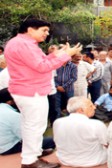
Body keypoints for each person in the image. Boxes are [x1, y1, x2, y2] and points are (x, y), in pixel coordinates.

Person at [4, 19, 81, 167]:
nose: (47, 34)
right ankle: (30, 160)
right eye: (44, 30)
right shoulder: (24, 45)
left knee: (30, 125)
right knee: (35, 126)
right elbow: (42, 67)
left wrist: (57, 54)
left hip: (27, 90)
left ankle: (33, 153)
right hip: (31, 91)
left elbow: (39, 62)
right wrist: (66, 55)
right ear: (30, 29)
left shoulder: (21, 43)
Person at [53, 97, 107, 167]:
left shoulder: (57, 122)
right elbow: (107, 144)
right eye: (91, 106)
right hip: (93, 160)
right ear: (81, 110)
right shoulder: (96, 124)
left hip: (65, 160)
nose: (94, 107)